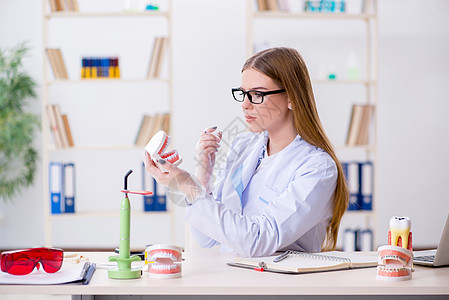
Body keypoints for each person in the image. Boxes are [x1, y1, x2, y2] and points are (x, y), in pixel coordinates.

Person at [144, 47, 348, 257]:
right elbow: (207, 238)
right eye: (243, 93)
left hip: (279, 285)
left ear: (292, 98)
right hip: (234, 277)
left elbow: (258, 241)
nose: (245, 104)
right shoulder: (243, 146)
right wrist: (201, 177)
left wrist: (189, 187)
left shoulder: (317, 168)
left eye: (257, 94)